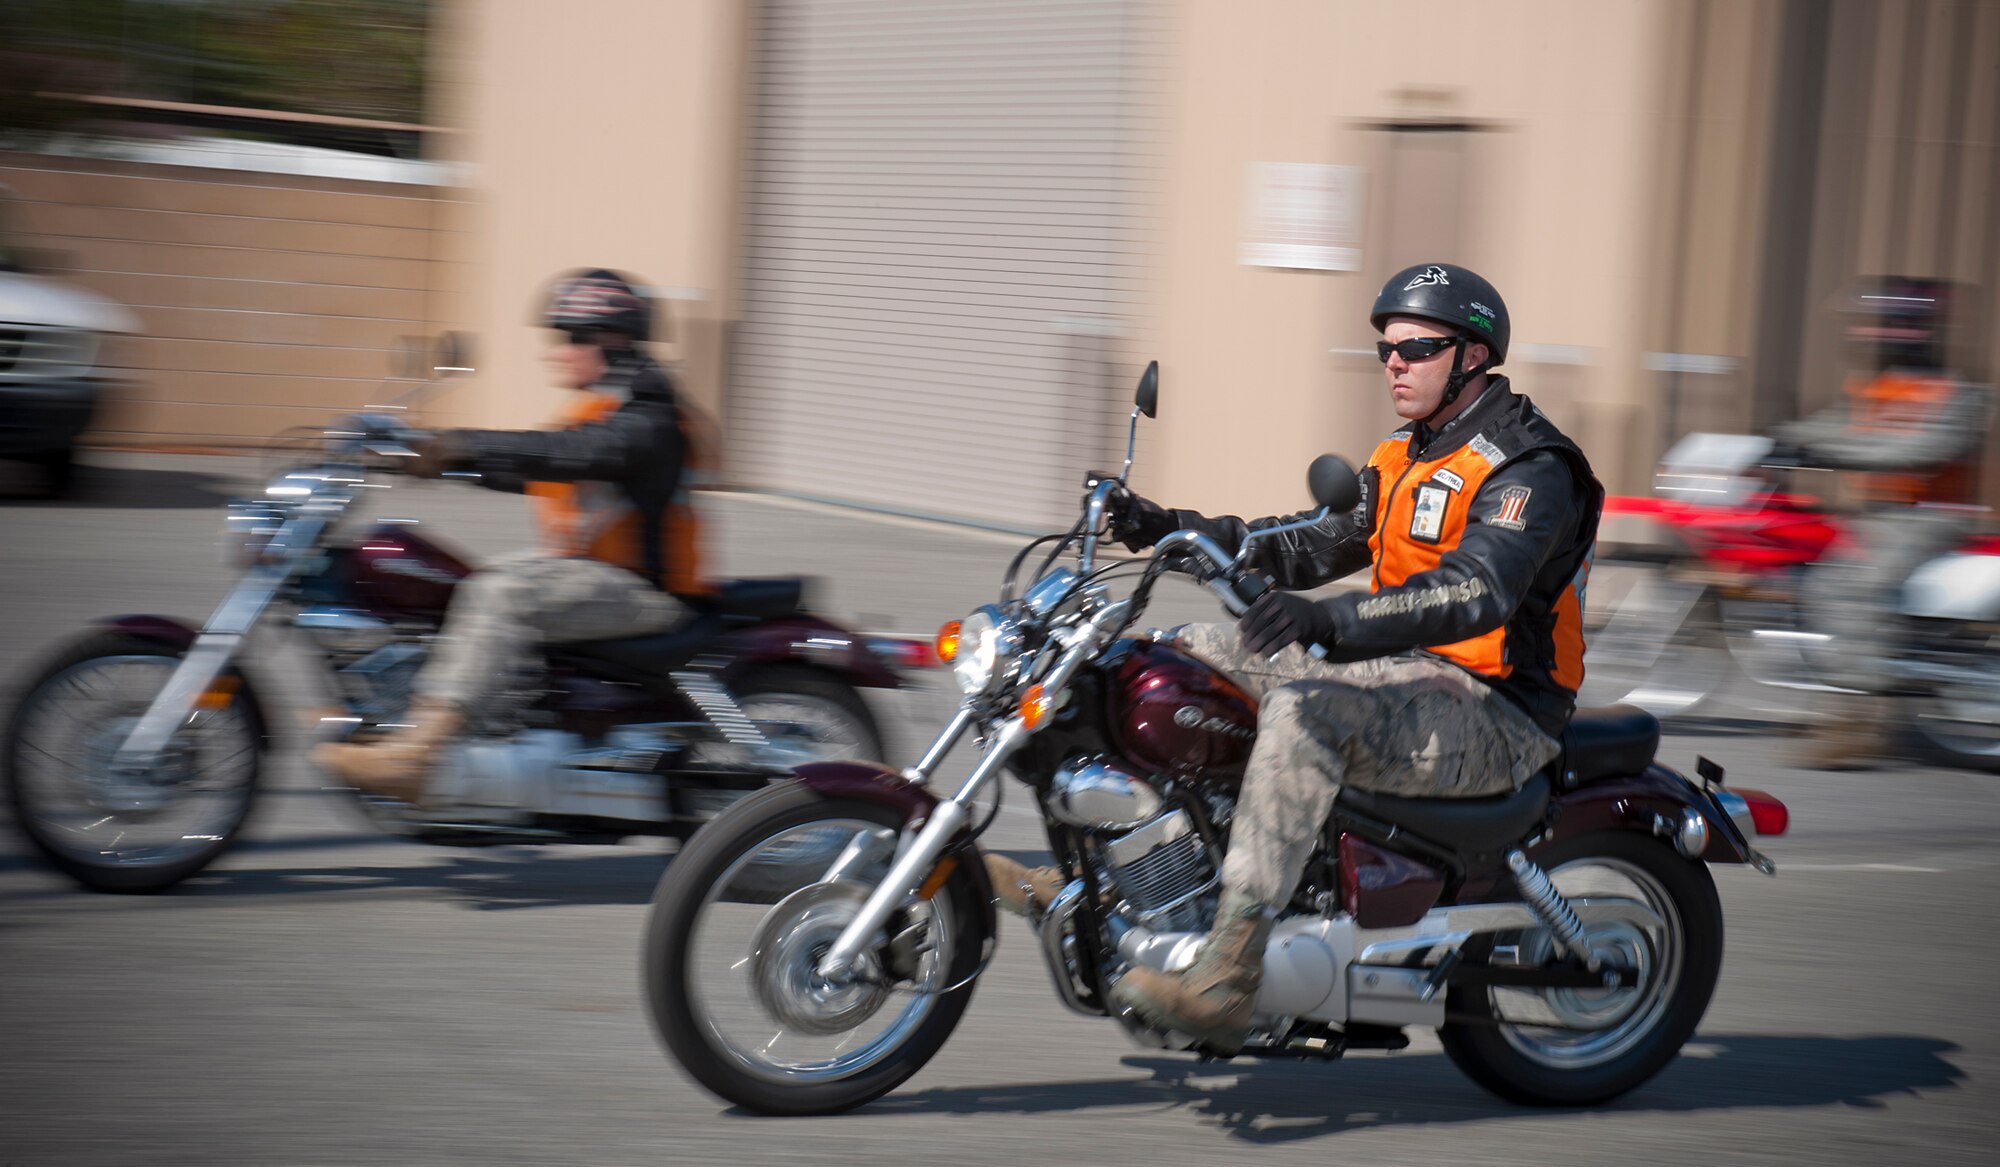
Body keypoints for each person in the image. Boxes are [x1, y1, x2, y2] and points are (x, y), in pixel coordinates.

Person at [990, 262, 1603, 1054]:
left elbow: (1474, 592)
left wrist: (1329, 620)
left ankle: (1229, 974)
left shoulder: (1531, 466)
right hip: (1395, 678)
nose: (1393, 362)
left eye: (1416, 348)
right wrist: (1162, 525)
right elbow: (1308, 542)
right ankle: (1105, 876)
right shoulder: (1404, 454)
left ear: (1473, 356)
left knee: (1301, 714)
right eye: (1385, 347)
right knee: (1174, 661)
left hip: (1493, 711)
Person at [315, 268, 703, 803]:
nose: (557, 352)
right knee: (452, 578)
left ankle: (416, 755)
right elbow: (536, 468)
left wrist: (459, 443)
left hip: (644, 593)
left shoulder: (649, 414)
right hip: (596, 576)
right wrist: (420, 459)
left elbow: (576, 454)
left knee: (500, 591)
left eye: (571, 338)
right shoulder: (611, 406)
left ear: (612, 339)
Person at [1771, 276, 1991, 769]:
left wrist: (1827, 452)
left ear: (1925, 329)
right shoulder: (1877, 387)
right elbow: (1834, 424)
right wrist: (1774, 440)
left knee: (1849, 585)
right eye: (1885, 323)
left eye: (1901, 324)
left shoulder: (1959, 394)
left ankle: (1857, 721)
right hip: (1881, 517)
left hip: (1927, 520)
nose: (1888, 334)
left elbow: (1919, 450)